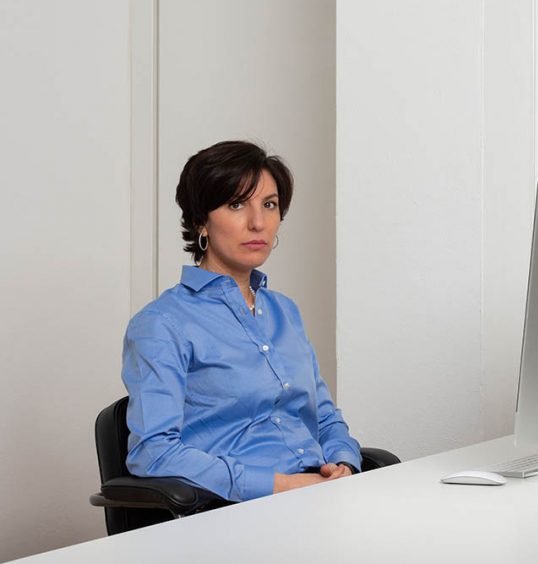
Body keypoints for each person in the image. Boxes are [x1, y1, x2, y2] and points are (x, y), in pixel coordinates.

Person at [122, 140, 361, 502]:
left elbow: (324, 418)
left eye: (269, 205)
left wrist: (343, 463)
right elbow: (153, 451)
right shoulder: (162, 324)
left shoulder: (285, 311)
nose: (258, 223)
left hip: (319, 497)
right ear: (201, 220)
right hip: (236, 511)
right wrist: (282, 485)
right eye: (236, 204)